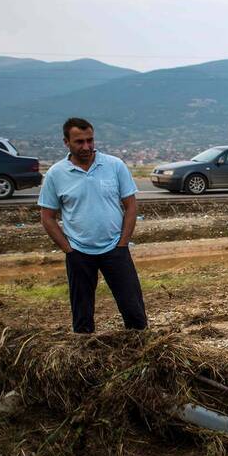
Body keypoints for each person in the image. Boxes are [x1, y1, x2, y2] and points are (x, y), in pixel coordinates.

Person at [39, 117, 147, 333]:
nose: (86, 146)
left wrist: (123, 244)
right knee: (82, 313)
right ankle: (84, 353)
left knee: (133, 308)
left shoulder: (114, 165)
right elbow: (47, 217)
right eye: (79, 142)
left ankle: (140, 347)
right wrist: (68, 250)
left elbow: (131, 206)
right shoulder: (56, 174)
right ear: (66, 142)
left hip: (115, 249)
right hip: (79, 251)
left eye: (90, 140)